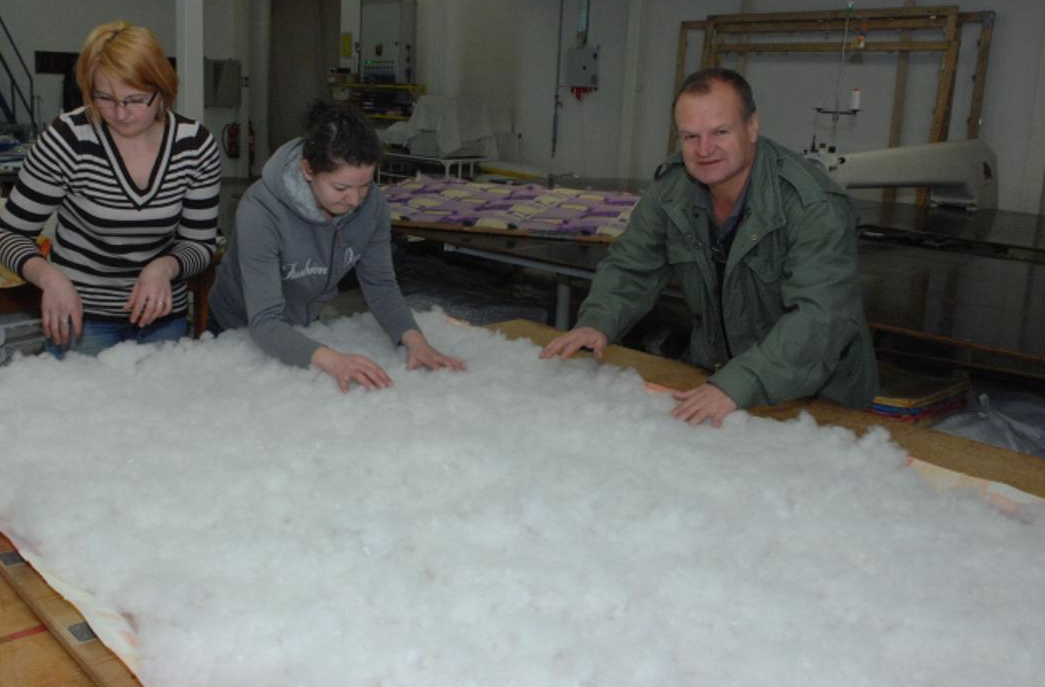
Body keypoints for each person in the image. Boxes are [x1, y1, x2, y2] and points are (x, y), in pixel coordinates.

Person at [540, 67, 878, 425]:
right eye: (690, 137)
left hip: (817, 398)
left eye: (720, 132)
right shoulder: (673, 190)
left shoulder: (813, 206)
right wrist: (598, 322)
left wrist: (737, 384)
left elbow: (821, 320)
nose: (704, 150)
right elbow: (632, 265)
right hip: (717, 381)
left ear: (752, 127)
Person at [0, 21, 220, 356]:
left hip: (161, 317)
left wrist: (164, 267)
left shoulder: (194, 145)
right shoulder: (68, 138)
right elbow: (8, 236)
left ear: (163, 89)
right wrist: (49, 278)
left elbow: (199, 243)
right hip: (82, 318)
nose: (121, 113)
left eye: (136, 99)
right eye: (105, 98)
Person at [209, 100, 464, 391]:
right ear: (308, 170)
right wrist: (334, 361)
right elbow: (265, 322)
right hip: (239, 328)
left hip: (303, 325)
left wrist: (415, 340)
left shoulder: (373, 206)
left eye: (365, 185)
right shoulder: (260, 212)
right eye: (341, 188)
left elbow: (380, 284)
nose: (355, 200)